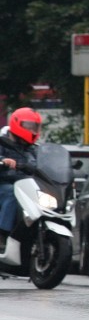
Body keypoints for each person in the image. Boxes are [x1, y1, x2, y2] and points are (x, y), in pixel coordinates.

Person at [0, 107, 42, 254]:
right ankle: (3, 234)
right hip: (4, 183)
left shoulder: (33, 148)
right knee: (11, 193)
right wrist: (3, 160)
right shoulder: (2, 141)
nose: (32, 130)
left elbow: (41, 164)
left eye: (35, 127)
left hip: (26, 184)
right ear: (17, 123)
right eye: (28, 126)